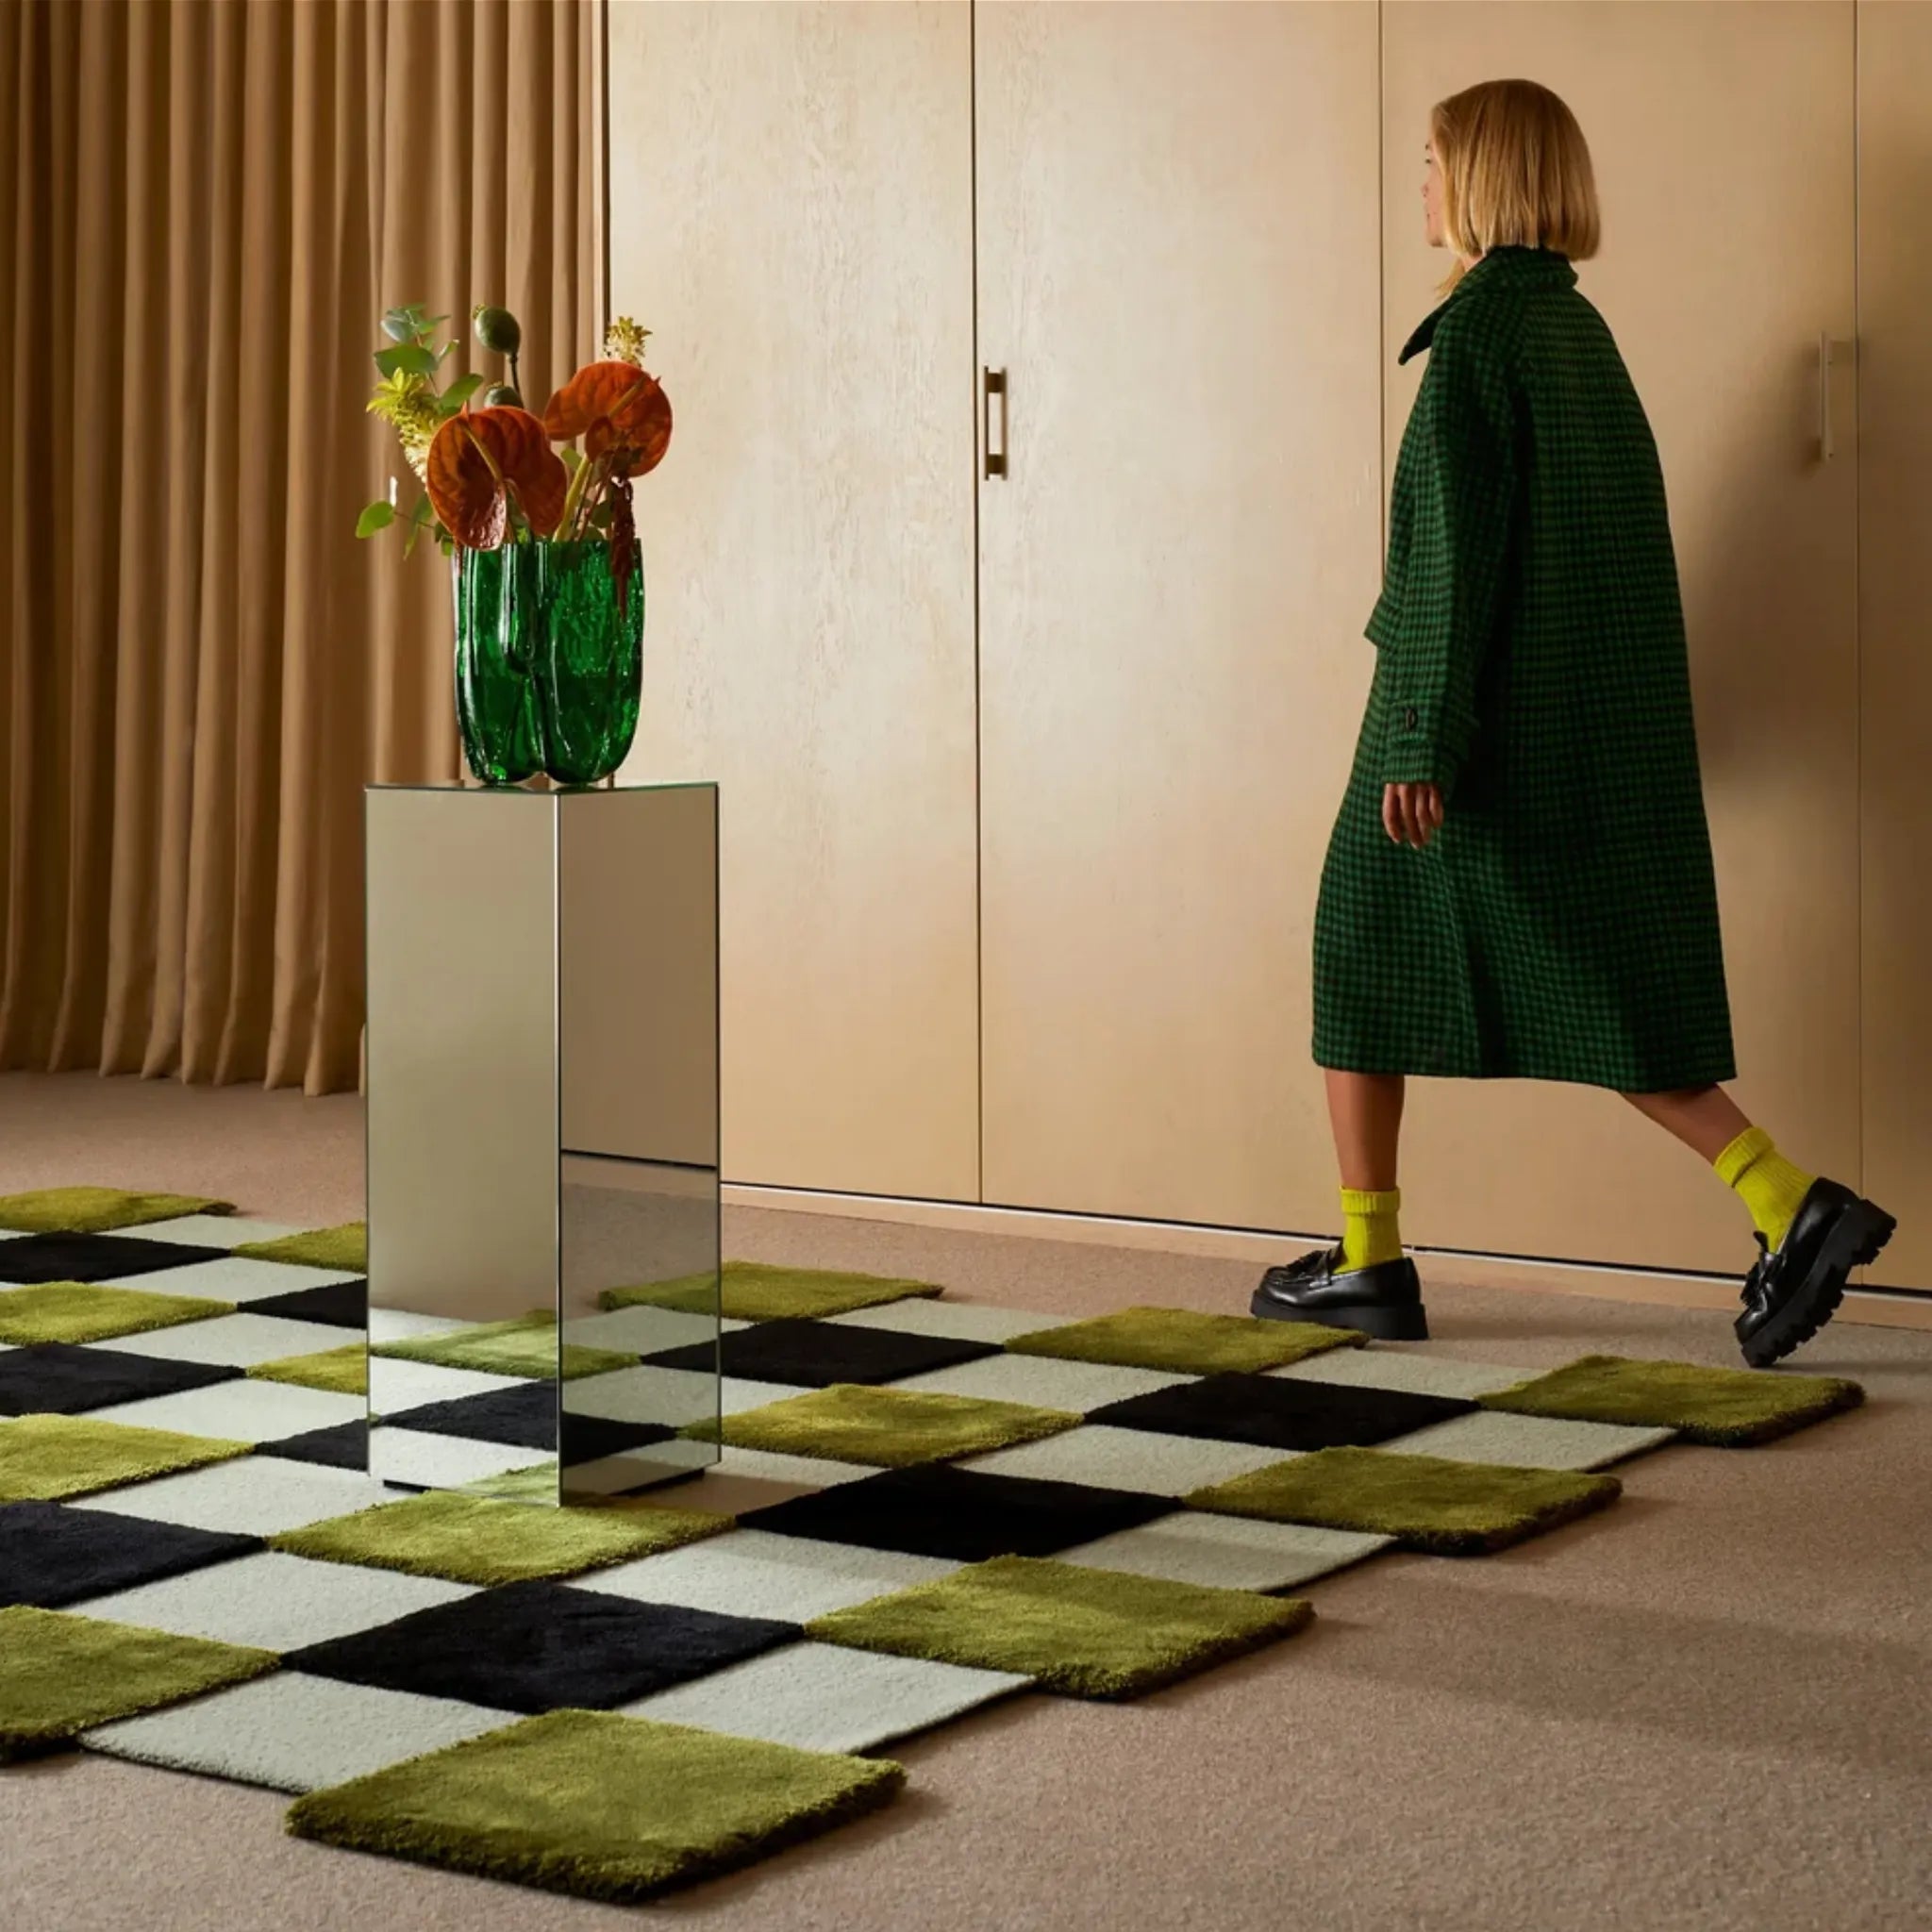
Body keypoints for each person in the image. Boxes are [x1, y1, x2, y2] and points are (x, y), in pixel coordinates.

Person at [1253, 78, 1893, 1368]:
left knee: (1362, 946)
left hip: (1464, 717)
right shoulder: (1572, 334)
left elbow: (1450, 559)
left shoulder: (1478, 344)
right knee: (1591, 982)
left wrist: (1424, 736)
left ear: (1480, 177)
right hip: (1570, 723)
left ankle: (1378, 1264)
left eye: (1432, 161)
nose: (1420, 185)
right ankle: (1778, 1204)